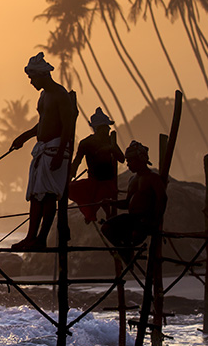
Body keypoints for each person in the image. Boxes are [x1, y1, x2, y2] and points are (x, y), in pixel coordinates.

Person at [9, 53, 76, 251]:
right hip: (43, 149)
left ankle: (41, 237)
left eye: (32, 78)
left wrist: (60, 153)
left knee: (48, 196)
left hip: (56, 149)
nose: (31, 82)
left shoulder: (60, 94)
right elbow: (43, 123)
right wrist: (24, 136)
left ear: (42, 75)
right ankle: (31, 237)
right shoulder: (44, 95)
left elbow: (67, 126)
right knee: (36, 195)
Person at [101, 140, 167, 254]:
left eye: (130, 161)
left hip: (145, 220)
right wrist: (111, 202)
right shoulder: (132, 180)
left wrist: (155, 221)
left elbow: (162, 199)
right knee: (106, 228)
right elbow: (127, 203)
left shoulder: (153, 178)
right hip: (131, 219)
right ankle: (125, 251)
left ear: (140, 160)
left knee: (133, 235)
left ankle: (126, 250)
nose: (128, 164)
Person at [68, 107, 125, 224]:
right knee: (70, 189)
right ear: (99, 128)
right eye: (106, 127)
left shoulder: (110, 141)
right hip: (93, 181)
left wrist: (111, 148)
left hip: (109, 182)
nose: (109, 129)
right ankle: (91, 214)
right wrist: (69, 176)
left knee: (105, 198)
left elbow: (122, 159)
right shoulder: (86, 143)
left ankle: (107, 215)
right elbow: (77, 161)